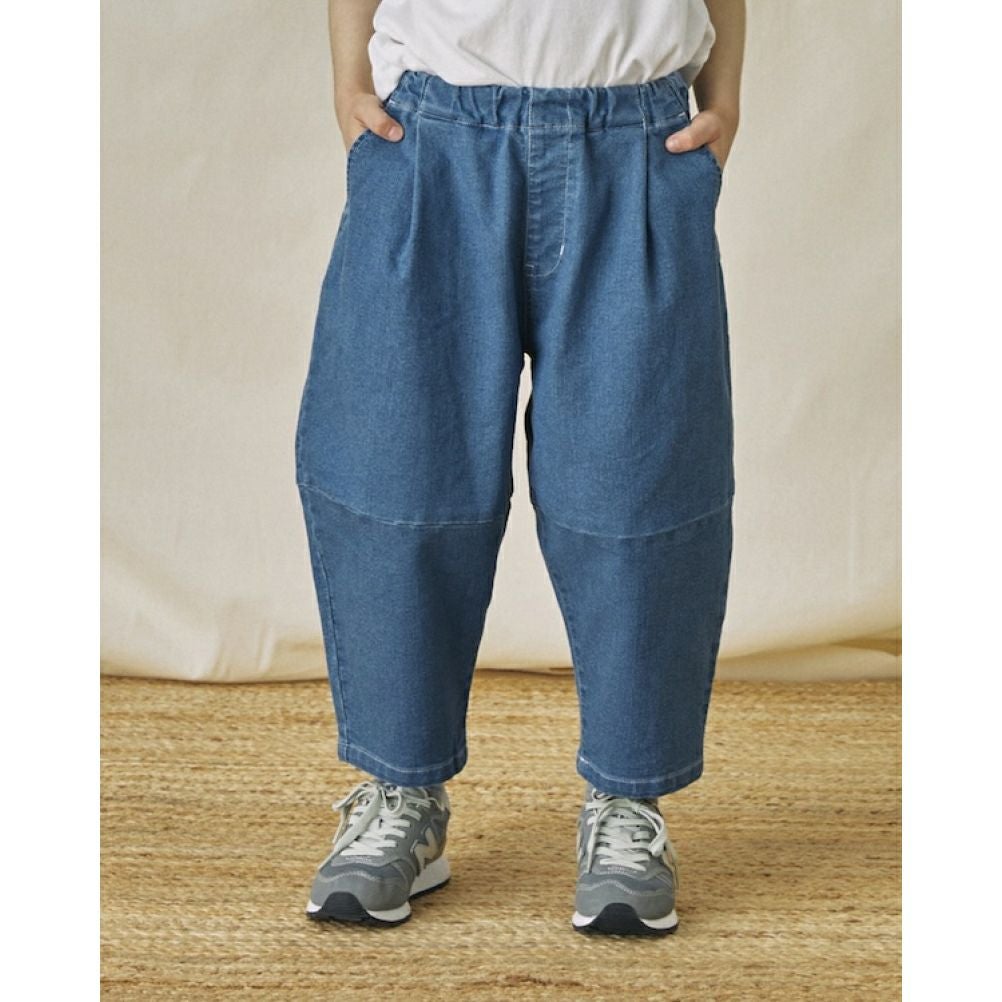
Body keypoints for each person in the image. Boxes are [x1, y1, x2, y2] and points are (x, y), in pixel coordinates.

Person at [295, 0, 744, 937]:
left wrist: (726, 95)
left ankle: (629, 801)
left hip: (638, 137)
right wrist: (347, 80)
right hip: (436, 135)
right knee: (397, 468)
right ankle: (401, 790)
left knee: (637, 480)